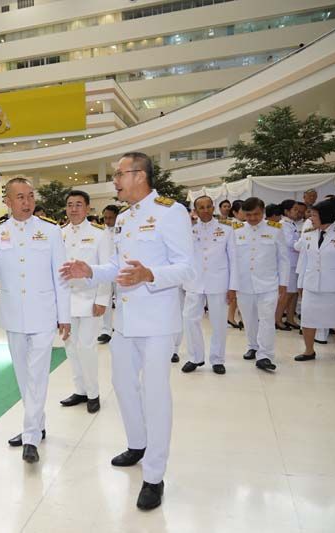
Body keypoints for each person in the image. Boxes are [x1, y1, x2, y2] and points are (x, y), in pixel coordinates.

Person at [60, 152, 194, 511]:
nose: (115, 180)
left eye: (119, 174)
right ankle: (138, 444)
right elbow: (117, 268)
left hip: (158, 320)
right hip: (126, 321)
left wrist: (150, 274)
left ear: (140, 175)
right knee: (122, 385)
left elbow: (187, 268)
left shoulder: (171, 212)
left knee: (155, 394)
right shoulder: (123, 218)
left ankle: (154, 476)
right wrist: (90, 270)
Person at [0, 177, 70, 465]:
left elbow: (61, 276)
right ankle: (37, 425)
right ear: (8, 201)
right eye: (20, 197)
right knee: (23, 376)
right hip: (13, 315)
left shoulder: (50, 231)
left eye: (30, 196)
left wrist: (64, 316)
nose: (27, 202)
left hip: (43, 313)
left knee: (38, 375)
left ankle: (30, 437)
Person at [60, 190, 112, 413]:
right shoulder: (59, 234)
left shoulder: (100, 234)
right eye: (70, 205)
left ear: (88, 208)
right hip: (66, 301)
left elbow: (107, 269)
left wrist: (102, 299)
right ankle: (80, 390)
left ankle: (93, 393)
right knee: (71, 347)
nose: (74, 209)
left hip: (90, 299)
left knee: (86, 347)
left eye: (79, 204)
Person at [181, 195, 237, 375]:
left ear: (213, 208)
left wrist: (233, 286)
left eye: (208, 207)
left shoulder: (226, 229)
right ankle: (195, 357)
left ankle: (217, 359)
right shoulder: (188, 231)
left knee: (219, 322)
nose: (205, 210)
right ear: (195, 211)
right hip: (194, 282)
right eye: (201, 207)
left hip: (218, 282)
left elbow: (234, 260)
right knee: (190, 319)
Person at [232, 197, 289, 372]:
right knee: (248, 318)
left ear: (263, 212)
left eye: (256, 214)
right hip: (244, 283)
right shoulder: (237, 231)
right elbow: (232, 259)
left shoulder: (275, 229)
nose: (252, 218)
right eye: (248, 215)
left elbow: (283, 258)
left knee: (266, 319)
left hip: (268, 283)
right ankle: (253, 346)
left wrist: (283, 283)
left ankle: (265, 355)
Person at [294, 201, 335, 362]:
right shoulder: (308, 234)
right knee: (308, 318)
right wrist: (300, 284)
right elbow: (303, 260)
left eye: (314, 215)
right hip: (311, 285)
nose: (310, 218)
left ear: (325, 216)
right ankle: (309, 350)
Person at [275, 200, 302, 330]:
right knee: (287, 294)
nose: (298, 212)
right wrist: (304, 240)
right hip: (289, 263)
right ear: (286, 211)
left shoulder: (291, 224)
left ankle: (290, 318)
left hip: (295, 262)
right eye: (295, 209)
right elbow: (290, 242)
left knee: (294, 293)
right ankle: (277, 319)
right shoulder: (284, 225)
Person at [98, 204, 119, 344]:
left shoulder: (123, 230)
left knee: (120, 300)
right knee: (105, 300)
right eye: (105, 217)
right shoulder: (100, 232)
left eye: (110, 218)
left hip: (120, 271)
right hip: (105, 270)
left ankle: (119, 328)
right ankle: (106, 330)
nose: (107, 221)